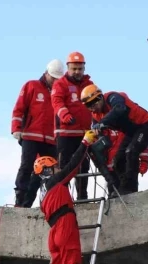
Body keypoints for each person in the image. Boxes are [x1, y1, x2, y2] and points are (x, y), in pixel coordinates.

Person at [33, 132, 93, 264]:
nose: (58, 168)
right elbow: (74, 166)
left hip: (54, 232)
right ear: (49, 170)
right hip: (65, 227)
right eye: (54, 166)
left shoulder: (42, 193)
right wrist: (85, 142)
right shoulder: (56, 181)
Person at [80, 85, 148, 195]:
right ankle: (123, 188)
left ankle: (130, 189)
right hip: (132, 132)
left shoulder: (112, 97)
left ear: (100, 97)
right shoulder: (96, 116)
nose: (93, 107)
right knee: (118, 160)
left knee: (131, 151)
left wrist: (103, 122)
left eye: (94, 102)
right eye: (88, 105)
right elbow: (96, 132)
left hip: (146, 125)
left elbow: (120, 108)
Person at [11, 59, 64, 208]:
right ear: (46, 73)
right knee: (27, 167)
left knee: (48, 171)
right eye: (53, 78)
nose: (55, 81)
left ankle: (39, 203)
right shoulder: (31, 86)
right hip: (30, 135)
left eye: (57, 79)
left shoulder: (59, 92)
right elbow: (19, 108)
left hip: (50, 140)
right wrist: (16, 127)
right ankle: (19, 201)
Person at [51, 52, 93, 200]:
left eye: (79, 69)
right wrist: (65, 115)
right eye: (74, 69)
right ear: (68, 68)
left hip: (84, 134)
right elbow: (57, 102)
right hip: (65, 134)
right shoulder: (60, 84)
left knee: (83, 167)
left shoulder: (89, 84)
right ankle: (63, 198)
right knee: (65, 168)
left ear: (84, 68)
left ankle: (82, 198)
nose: (77, 72)